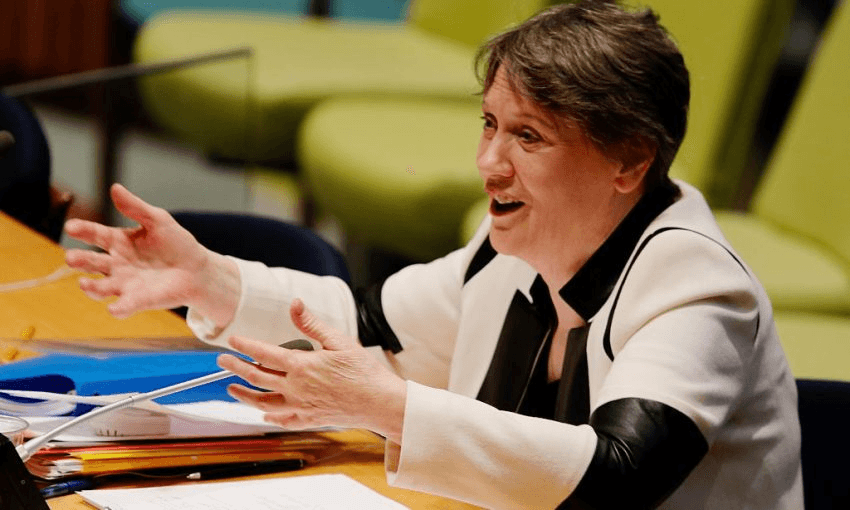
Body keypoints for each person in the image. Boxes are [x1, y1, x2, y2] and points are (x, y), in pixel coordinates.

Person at [63, 1, 803, 508]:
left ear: (630, 161)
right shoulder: (512, 248)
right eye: (489, 123)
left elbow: (619, 477)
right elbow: (366, 325)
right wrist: (210, 280)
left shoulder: (695, 286)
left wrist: (388, 405)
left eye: (529, 137)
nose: (488, 163)